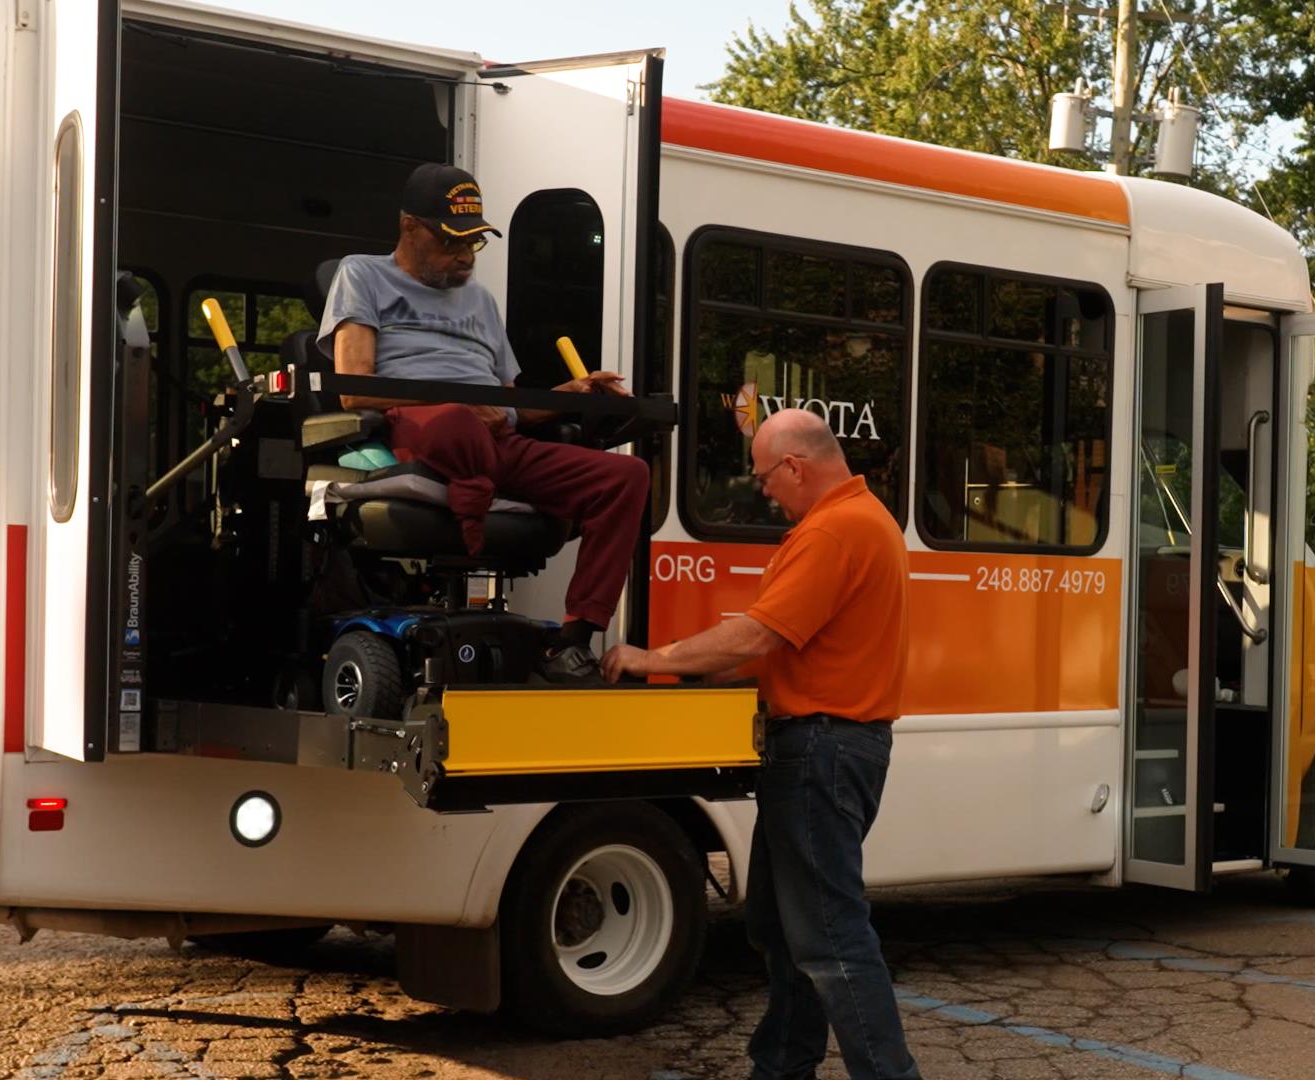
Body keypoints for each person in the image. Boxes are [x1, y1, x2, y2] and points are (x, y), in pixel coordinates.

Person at [601, 409, 920, 1080]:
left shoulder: (833, 530)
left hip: (820, 751)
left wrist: (650, 658)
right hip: (831, 749)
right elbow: (774, 643)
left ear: (796, 467)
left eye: (765, 477)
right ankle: (779, 1066)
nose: (764, 491)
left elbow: (756, 636)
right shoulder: (865, 521)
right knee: (781, 928)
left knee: (830, 937)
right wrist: (701, 665)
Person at [318, 163, 648, 682]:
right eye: (452, 241)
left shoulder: (481, 300)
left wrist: (572, 396)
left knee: (626, 477)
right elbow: (356, 386)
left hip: (493, 442)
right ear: (410, 228)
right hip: (423, 432)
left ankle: (572, 639)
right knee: (455, 420)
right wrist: (464, 406)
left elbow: (508, 407)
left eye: (474, 241)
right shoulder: (363, 274)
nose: (466, 255)